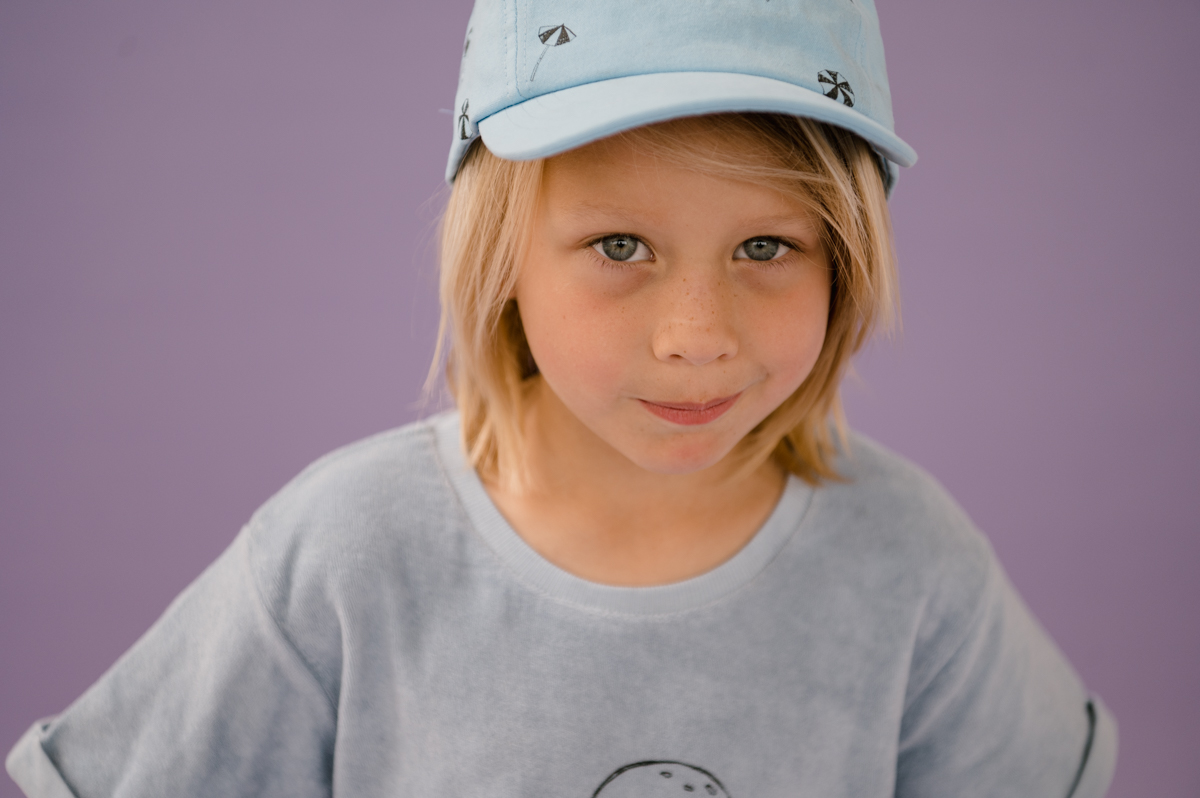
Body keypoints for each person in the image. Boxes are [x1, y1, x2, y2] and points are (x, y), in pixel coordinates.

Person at [6, 2, 1117, 796]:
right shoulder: (348, 553)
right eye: (620, 245)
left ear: (846, 261)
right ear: (503, 261)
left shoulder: (912, 565)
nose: (696, 337)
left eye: (766, 246)